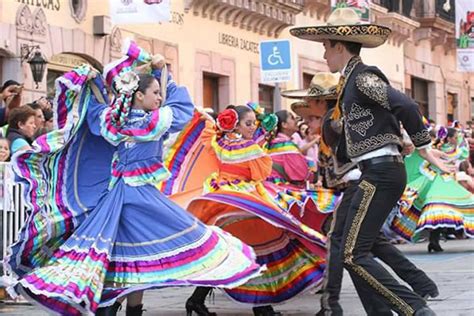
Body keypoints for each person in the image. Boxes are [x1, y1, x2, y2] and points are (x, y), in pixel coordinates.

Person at [5, 41, 262, 316]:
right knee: (137, 258)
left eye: (160, 93)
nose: (160, 97)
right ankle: (122, 310)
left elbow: (94, 114)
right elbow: (183, 107)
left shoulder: (112, 120)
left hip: (117, 196)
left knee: (126, 259)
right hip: (138, 197)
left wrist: (107, 83)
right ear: (138, 95)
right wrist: (166, 74)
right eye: (155, 92)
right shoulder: (154, 121)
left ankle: (117, 309)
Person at [291, 7, 454, 315]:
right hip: (376, 172)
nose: (324, 55)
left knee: (353, 253)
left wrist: (423, 147)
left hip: (380, 174)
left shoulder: (363, 78)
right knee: (353, 250)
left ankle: (416, 308)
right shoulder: (350, 81)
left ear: (339, 46)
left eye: (326, 47)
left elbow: (404, 104)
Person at [183, 104, 327, 316]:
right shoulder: (248, 148)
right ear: (236, 124)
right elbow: (261, 171)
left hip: (221, 198)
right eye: (248, 124)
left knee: (233, 252)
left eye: (254, 123)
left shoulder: (219, 141)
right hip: (243, 201)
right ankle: (261, 307)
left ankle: (197, 300)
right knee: (256, 248)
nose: (252, 127)